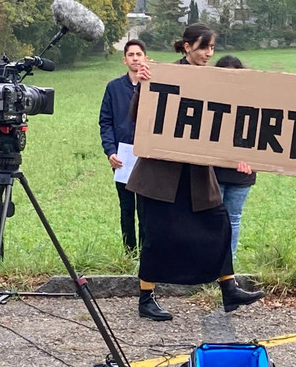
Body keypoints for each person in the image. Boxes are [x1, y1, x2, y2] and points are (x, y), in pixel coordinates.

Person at [126, 23, 264, 321]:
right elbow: (138, 115)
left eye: (212, 47)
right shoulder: (163, 74)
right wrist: (143, 85)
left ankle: (229, 288)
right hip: (161, 176)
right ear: (187, 46)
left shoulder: (211, 80)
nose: (209, 53)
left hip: (197, 177)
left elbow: (226, 123)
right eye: (204, 47)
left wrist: (241, 156)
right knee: (156, 236)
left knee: (219, 225)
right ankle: (146, 298)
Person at [99, 39, 148, 252]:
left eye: (139, 54)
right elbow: (105, 121)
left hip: (147, 157)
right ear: (124, 60)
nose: (135, 58)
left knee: (146, 208)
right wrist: (110, 151)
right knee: (126, 207)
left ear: (145, 58)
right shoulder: (114, 88)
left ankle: (146, 252)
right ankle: (129, 251)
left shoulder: (153, 86)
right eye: (131, 55)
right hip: (123, 157)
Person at [212, 55, 256, 259]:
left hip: (242, 174)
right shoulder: (210, 100)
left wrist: (252, 161)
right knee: (213, 217)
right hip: (215, 172)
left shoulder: (252, 102)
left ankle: (229, 261)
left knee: (234, 218)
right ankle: (212, 259)